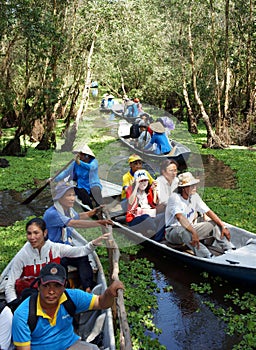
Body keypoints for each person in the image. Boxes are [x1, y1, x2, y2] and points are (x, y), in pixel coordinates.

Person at [12, 262, 124, 350]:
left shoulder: (72, 297)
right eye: (46, 286)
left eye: (57, 286)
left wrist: (109, 292)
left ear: (64, 286)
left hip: (69, 345)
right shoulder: (23, 315)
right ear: (38, 286)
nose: (51, 291)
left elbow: (101, 302)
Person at [5, 217, 111, 305]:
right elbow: (9, 286)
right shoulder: (23, 255)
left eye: (36, 233)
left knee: (72, 299)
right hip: (32, 295)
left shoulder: (55, 248)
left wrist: (93, 244)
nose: (32, 237)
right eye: (29, 233)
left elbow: (80, 251)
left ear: (45, 233)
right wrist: (15, 306)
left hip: (52, 293)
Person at [43, 181, 113, 291]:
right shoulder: (53, 213)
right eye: (68, 195)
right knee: (60, 266)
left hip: (66, 248)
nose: (72, 198)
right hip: (54, 251)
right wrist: (99, 222)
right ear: (60, 198)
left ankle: (87, 288)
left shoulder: (68, 210)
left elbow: (78, 217)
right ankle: (63, 289)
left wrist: (93, 212)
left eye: (73, 195)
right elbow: (74, 223)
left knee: (83, 257)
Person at [165, 172, 235, 258]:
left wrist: (222, 226)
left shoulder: (194, 196)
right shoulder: (175, 198)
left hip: (190, 228)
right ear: (183, 188)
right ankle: (207, 255)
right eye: (191, 186)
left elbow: (208, 211)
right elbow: (179, 217)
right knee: (183, 230)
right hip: (173, 232)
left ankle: (229, 248)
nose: (195, 187)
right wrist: (194, 232)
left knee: (214, 224)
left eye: (195, 185)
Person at [55, 144, 103, 209]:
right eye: (79, 155)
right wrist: (54, 179)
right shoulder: (75, 163)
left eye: (81, 154)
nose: (79, 156)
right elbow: (66, 172)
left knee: (96, 191)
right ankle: (92, 209)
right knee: (83, 195)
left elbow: (91, 167)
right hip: (82, 185)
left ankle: (100, 208)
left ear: (86, 155)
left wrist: (80, 163)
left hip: (93, 184)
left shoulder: (94, 162)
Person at [125, 170, 165, 241]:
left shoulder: (148, 190)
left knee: (164, 216)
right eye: (141, 181)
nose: (143, 183)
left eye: (145, 181)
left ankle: (157, 238)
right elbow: (130, 202)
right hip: (135, 219)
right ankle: (157, 231)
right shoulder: (130, 189)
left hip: (151, 217)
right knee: (146, 218)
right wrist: (136, 185)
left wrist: (154, 190)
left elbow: (155, 203)